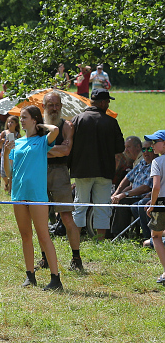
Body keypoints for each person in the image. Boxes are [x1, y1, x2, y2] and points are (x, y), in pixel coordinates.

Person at [3, 105, 63, 291]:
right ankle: (30, 276)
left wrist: (41, 125)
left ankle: (55, 279)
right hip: (19, 194)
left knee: (43, 235)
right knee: (25, 236)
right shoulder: (17, 143)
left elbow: (56, 130)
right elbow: (8, 172)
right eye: (20, 117)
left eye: (24, 117)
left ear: (34, 120)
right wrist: (5, 153)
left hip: (37, 195)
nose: (21, 120)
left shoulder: (43, 141)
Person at [69, 88, 125, 240]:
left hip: (82, 171)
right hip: (104, 171)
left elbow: (69, 146)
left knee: (80, 205)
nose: (108, 104)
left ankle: (76, 238)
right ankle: (100, 239)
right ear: (102, 103)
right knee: (103, 207)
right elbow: (120, 147)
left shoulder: (77, 120)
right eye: (107, 101)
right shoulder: (111, 122)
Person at [41, 91, 83, 271]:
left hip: (60, 172)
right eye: (50, 105)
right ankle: (45, 258)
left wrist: (42, 148)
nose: (54, 108)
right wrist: (52, 149)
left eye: (57, 104)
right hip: (40, 172)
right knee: (40, 217)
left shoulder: (67, 125)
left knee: (66, 216)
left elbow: (66, 151)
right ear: (44, 106)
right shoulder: (38, 126)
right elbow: (31, 148)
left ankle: (76, 258)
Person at [111, 139, 154, 239]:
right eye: (144, 149)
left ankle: (119, 236)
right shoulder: (142, 163)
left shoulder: (155, 164)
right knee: (113, 198)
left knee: (123, 201)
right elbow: (128, 178)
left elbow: (145, 188)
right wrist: (117, 193)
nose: (146, 152)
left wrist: (124, 194)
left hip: (144, 196)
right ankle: (108, 233)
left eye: (149, 149)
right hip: (133, 194)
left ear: (155, 150)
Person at [143, 130, 165, 283]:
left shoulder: (157, 162)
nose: (151, 146)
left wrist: (152, 204)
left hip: (161, 202)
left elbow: (156, 186)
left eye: (155, 142)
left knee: (156, 236)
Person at [0, 116, 20, 191]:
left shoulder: (17, 134)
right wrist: (1, 141)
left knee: (12, 172)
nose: (10, 124)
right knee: (3, 173)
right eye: (9, 122)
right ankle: (6, 182)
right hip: (4, 154)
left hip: (14, 155)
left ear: (16, 124)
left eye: (12, 122)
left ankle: (10, 189)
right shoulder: (4, 133)